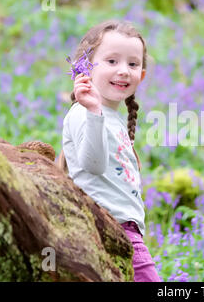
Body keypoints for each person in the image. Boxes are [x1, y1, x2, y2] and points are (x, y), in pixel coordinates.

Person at [56, 19, 161, 282]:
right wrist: (93, 111)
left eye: (133, 64)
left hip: (123, 231)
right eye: (112, 61)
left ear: (142, 75)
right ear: (85, 68)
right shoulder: (84, 113)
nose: (124, 70)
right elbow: (93, 165)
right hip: (113, 229)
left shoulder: (112, 118)